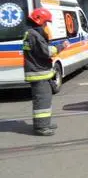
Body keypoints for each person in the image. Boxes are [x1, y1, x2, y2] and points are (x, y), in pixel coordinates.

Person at [23, 8, 70, 136]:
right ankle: (41, 127)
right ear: (40, 21)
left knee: (45, 100)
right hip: (38, 73)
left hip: (40, 72)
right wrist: (61, 47)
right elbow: (46, 52)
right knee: (42, 102)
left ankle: (45, 123)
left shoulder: (32, 33)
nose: (46, 25)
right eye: (46, 22)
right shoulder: (34, 34)